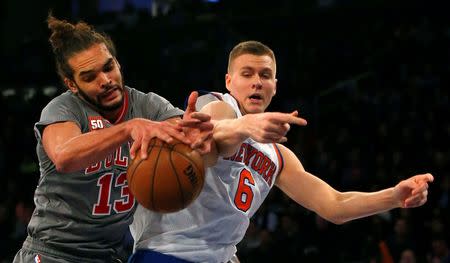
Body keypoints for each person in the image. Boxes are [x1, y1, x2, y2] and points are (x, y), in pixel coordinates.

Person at [129, 40, 434, 263]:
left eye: (265, 75)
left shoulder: (278, 156)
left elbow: (334, 205)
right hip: (166, 251)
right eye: (247, 74)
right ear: (229, 81)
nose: (256, 82)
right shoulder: (217, 105)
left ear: (275, 84)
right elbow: (213, 145)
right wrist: (246, 126)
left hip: (219, 257)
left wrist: (394, 197)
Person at [13, 14, 213, 263]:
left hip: (111, 255)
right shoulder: (63, 108)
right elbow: (65, 156)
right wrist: (128, 129)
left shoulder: (148, 105)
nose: (105, 81)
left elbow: (180, 131)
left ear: (118, 64)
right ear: (72, 84)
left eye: (108, 68)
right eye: (89, 77)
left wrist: (188, 136)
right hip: (56, 252)